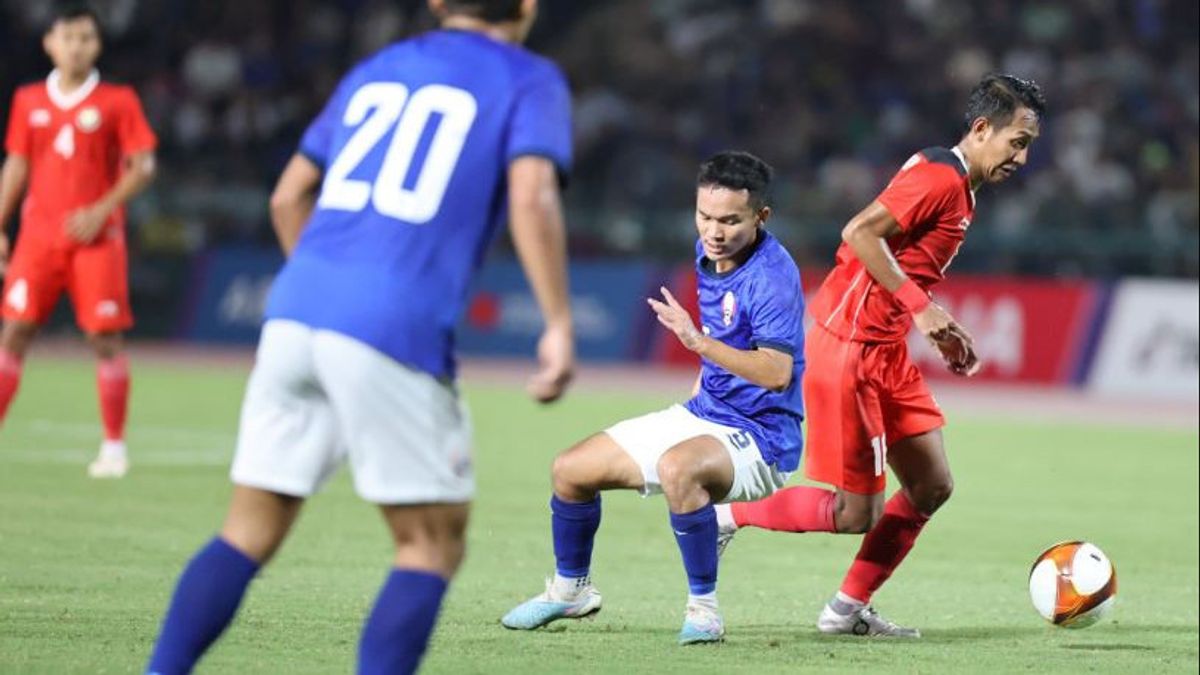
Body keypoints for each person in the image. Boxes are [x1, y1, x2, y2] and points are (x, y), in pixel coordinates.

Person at [144, 1, 574, 673]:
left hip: (295, 307)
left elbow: (288, 197)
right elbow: (532, 195)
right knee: (429, 545)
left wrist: (326, 295)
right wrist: (557, 322)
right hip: (391, 321)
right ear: (528, 5)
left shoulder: (379, 68)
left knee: (248, 529)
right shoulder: (529, 78)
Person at [715, 74, 1045, 637]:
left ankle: (845, 611)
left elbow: (901, 258)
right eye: (1016, 140)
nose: (1022, 156)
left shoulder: (954, 180)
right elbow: (860, 234)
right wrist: (921, 308)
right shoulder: (942, 179)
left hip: (885, 350)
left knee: (931, 485)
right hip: (850, 349)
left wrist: (934, 323)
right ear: (982, 128)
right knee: (854, 514)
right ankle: (723, 515)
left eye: (1029, 146)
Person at [502, 151, 805, 645]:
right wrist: (699, 387)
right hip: (704, 412)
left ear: (761, 217)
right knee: (569, 470)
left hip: (763, 438)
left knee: (677, 468)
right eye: (705, 216)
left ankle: (704, 610)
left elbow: (776, 373)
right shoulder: (707, 250)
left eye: (730, 220)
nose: (714, 230)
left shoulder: (770, 278)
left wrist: (699, 344)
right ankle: (569, 590)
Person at [0, 4, 157, 477]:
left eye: (86, 38)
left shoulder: (118, 100)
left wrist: (102, 210)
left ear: (98, 45)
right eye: (67, 38)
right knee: (13, 333)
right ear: (49, 43)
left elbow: (144, 166)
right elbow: (18, 165)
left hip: (97, 239)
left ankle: (114, 446)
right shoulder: (28, 100)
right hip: (38, 238)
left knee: (104, 337)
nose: (76, 47)